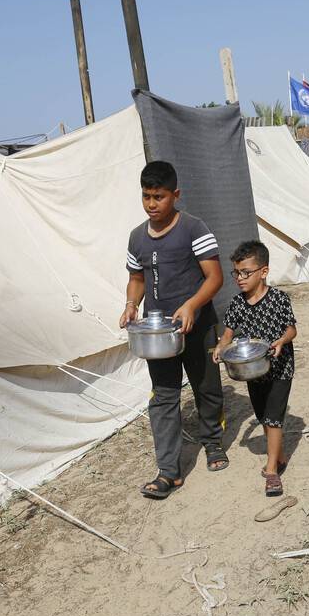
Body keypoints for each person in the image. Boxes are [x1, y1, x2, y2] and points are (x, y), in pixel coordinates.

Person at [120, 161, 227, 499]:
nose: (152, 204)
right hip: (159, 334)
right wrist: (130, 306)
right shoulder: (137, 237)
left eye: (159, 197)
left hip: (198, 326)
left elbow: (215, 277)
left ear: (175, 195)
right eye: (146, 197)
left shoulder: (194, 229)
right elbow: (136, 279)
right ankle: (168, 471)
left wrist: (192, 306)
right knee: (163, 397)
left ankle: (212, 443)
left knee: (206, 387)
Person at [212, 241, 297, 497]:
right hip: (253, 371)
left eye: (246, 272)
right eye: (236, 273)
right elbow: (227, 334)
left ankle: (272, 472)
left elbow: (292, 329)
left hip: (280, 368)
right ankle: (279, 456)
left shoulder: (279, 299)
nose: (240, 278)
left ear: (264, 271)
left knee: (272, 417)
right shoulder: (237, 304)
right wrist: (220, 348)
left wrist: (282, 341)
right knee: (262, 415)